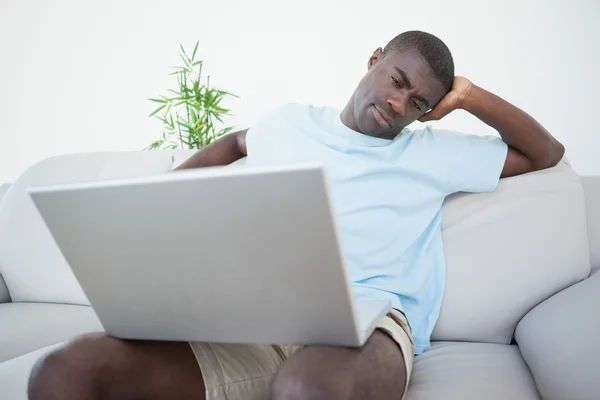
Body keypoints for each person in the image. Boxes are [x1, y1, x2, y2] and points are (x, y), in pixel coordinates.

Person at [28, 30, 564, 400]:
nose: (402, 104)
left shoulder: (434, 151)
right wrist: (165, 193)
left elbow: (545, 153)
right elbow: (237, 140)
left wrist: (468, 96)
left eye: (421, 102)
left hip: (369, 321)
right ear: (374, 58)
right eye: (398, 80)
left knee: (307, 387)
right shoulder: (289, 123)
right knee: (67, 370)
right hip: (260, 317)